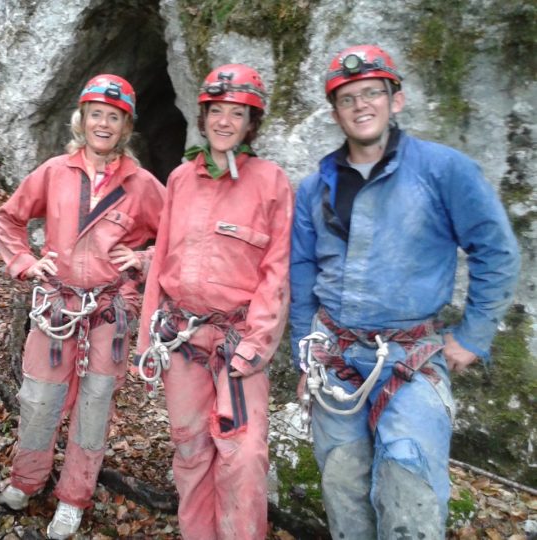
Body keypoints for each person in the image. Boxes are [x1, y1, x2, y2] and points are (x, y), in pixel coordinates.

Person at [289, 44, 521, 538]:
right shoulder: (315, 187)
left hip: (408, 354)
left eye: (372, 92)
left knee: (408, 484)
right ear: (335, 113)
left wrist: (473, 335)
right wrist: (303, 356)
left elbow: (496, 250)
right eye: (347, 98)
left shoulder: (443, 170)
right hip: (333, 352)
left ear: (396, 99)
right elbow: (303, 272)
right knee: (341, 482)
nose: (361, 105)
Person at [0, 74, 165, 539]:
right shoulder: (54, 172)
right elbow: (8, 219)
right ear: (82, 120)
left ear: (126, 126)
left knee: (94, 406)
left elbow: (176, 236)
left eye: (114, 117)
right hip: (57, 307)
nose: (103, 124)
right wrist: (26, 262)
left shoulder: (142, 184)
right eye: (96, 115)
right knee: (39, 398)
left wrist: (144, 258)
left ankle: (73, 497)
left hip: (108, 312)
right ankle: (27, 480)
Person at [136, 64, 293, 539]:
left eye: (237, 113)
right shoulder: (181, 179)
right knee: (189, 447)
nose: (225, 121)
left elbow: (277, 269)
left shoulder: (271, 182)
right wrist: (146, 338)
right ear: (203, 118)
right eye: (217, 111)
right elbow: (162, 258)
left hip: (237, 339)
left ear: (251, 123)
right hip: (181, 338)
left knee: (243, 453)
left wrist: (257, 344)